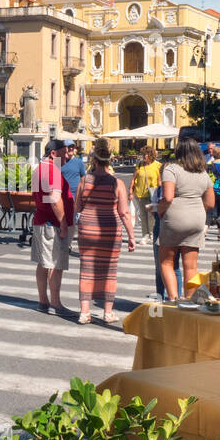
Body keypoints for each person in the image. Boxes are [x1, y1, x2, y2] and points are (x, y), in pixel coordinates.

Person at [73, 137, 136, 324]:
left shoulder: (84, 181)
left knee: (86, 269)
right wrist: (131, 236)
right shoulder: (117, 183)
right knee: (109, 271)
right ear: (111, 159)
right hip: (110, 230)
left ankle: (84, 312)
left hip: (87, 230)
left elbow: (77, 208)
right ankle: (108, 313)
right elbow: (124, 213)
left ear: (94, 159)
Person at [156, 138, 214, 302]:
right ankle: (189, 301)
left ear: (178, 152)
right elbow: (210, 203)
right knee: (191, 266)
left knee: (166, 263)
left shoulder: (172, 169)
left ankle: (174, 299)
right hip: (197, 219)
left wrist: (160, 211)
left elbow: (168, 197)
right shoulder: (203, 173)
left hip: (175, 218)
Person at [31, 140, 73, 315]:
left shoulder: (39, 169)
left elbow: (39, 197)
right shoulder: (52, 170)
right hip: (52, 223)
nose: (67, 156)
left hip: (42, 220)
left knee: (43, 263)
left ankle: (43, 300)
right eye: (64, 152)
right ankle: (56, 303)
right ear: (54, 154)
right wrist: (63, 223)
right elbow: (54, 199)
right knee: (56, 264)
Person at [131, 146, 161, 246]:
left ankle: (151, 234)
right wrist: (130, 190)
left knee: (151, 215)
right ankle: (145, 235)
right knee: (143, 215)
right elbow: (134, 178)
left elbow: (160, 181)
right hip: (140, 193)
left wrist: (160, 193)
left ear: (151, 155)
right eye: (143, 154)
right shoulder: (139, 165)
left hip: (153, 194)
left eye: (146, 154)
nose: (144, 156)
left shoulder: (158, 166)